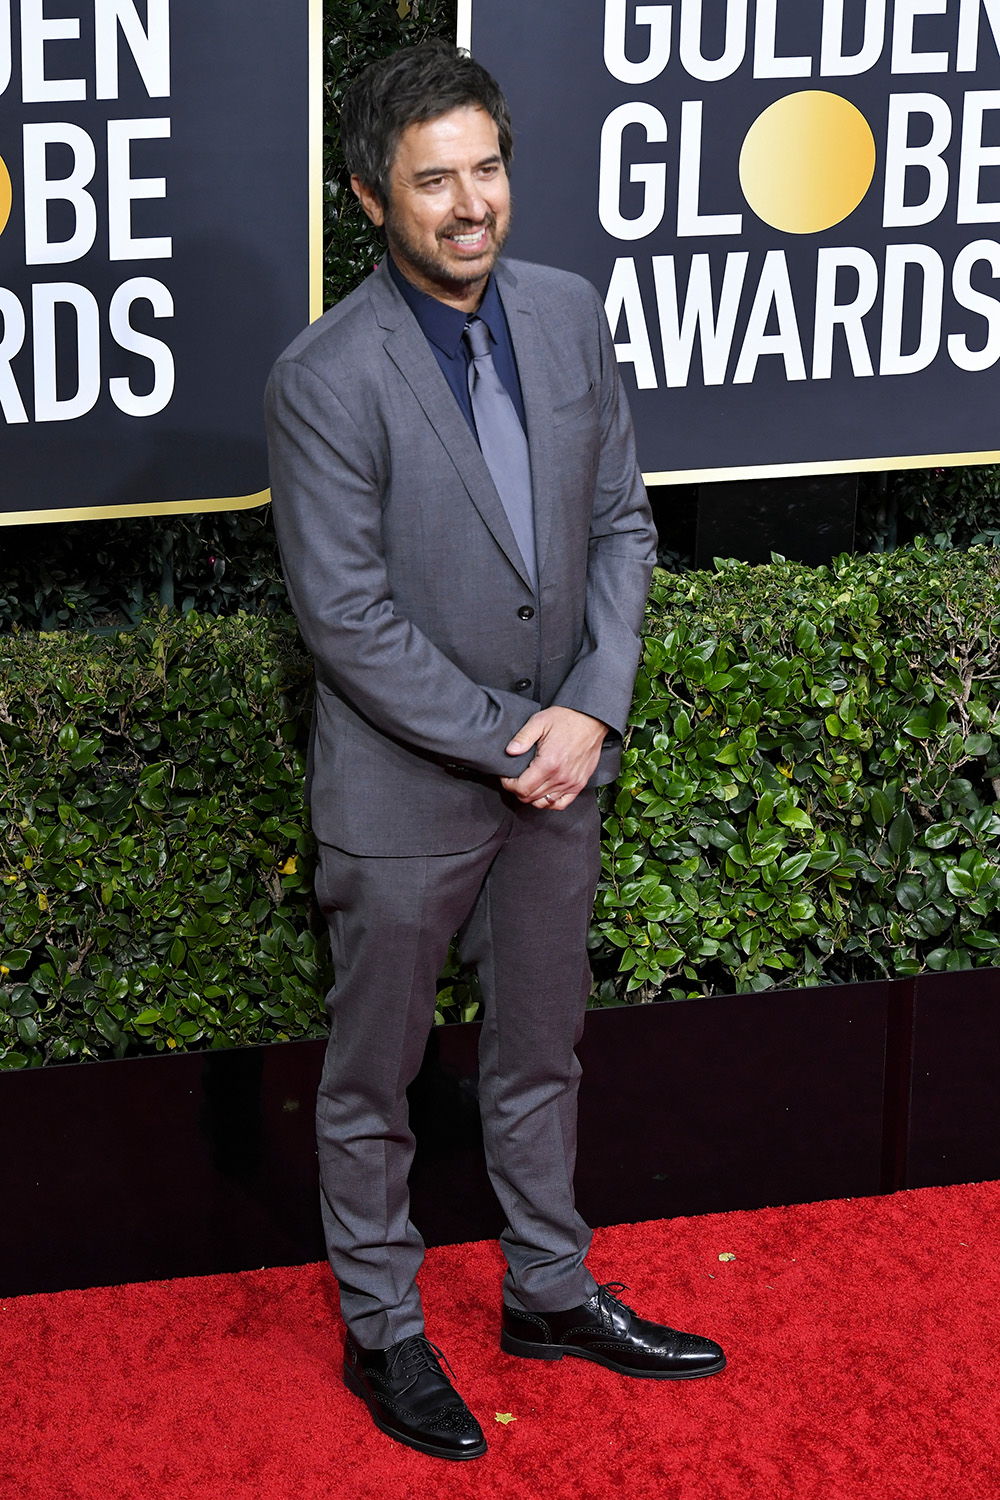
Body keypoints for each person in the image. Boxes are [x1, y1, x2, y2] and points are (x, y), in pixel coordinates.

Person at [264, 39, 725, 1463]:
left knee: (541, 1053)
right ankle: (384, 1333)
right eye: (433, 182)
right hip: (407, 793)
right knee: (373, 1084)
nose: (470, 204)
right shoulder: (327, 376)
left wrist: (590, 709)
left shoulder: (571, 314)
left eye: (487, 169)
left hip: (561, 772)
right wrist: (511, 741)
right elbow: (344, 618)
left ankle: (546, 1291)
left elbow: (622, 528)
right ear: (369, 196)